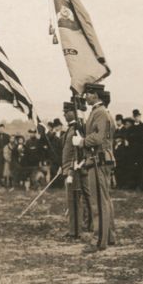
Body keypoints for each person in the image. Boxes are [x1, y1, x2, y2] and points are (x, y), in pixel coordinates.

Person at [74, 83, 116, 251]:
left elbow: (98, 138)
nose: (86, 97)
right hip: (99, 159)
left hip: (99, 160)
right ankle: (109, 236)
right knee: (104, 200)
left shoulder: (99, 113)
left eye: (88, 94)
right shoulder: (99, 112)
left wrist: (82, 142)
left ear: (96, 95)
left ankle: (99, 240)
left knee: (98, 202)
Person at [62, 101, 92, 237]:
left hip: (75, 169)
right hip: (71, 168)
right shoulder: (71, 128)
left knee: (75, 199)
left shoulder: (77, 129)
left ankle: (76, 231)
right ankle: (82, 227)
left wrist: (72, 169)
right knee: (80, 198)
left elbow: (78, 151)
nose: (64, 114)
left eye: (66, 111)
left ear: (73, 112)